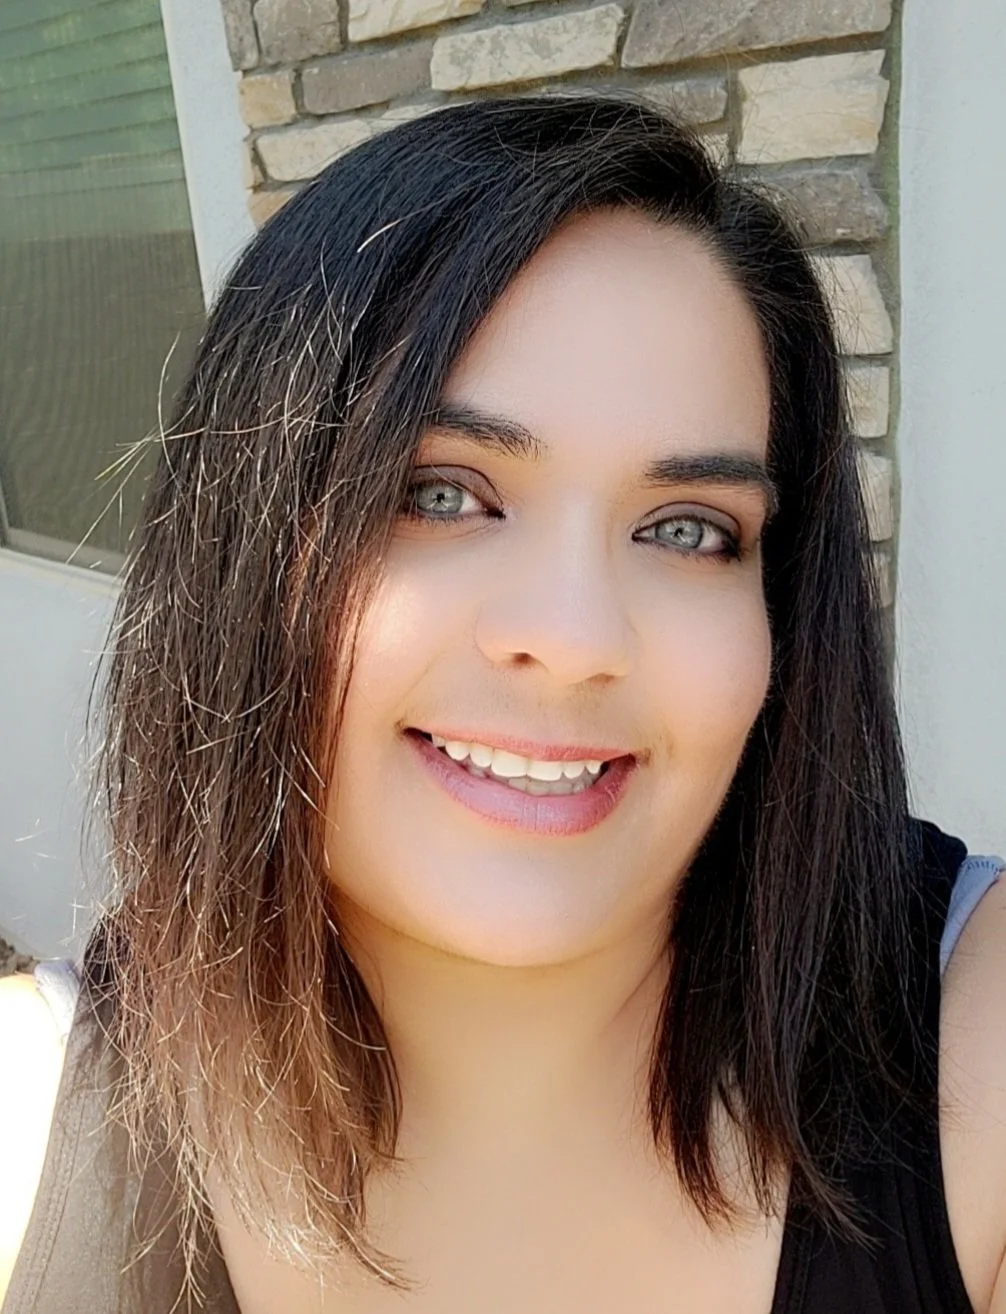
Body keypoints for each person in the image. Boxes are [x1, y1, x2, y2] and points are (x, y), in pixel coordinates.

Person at [0, 93, 1004, 1314]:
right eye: (439, 494)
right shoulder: (31, 1125)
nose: (575, 639)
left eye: (685, 529)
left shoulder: (976, 1042)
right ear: (243, 545)